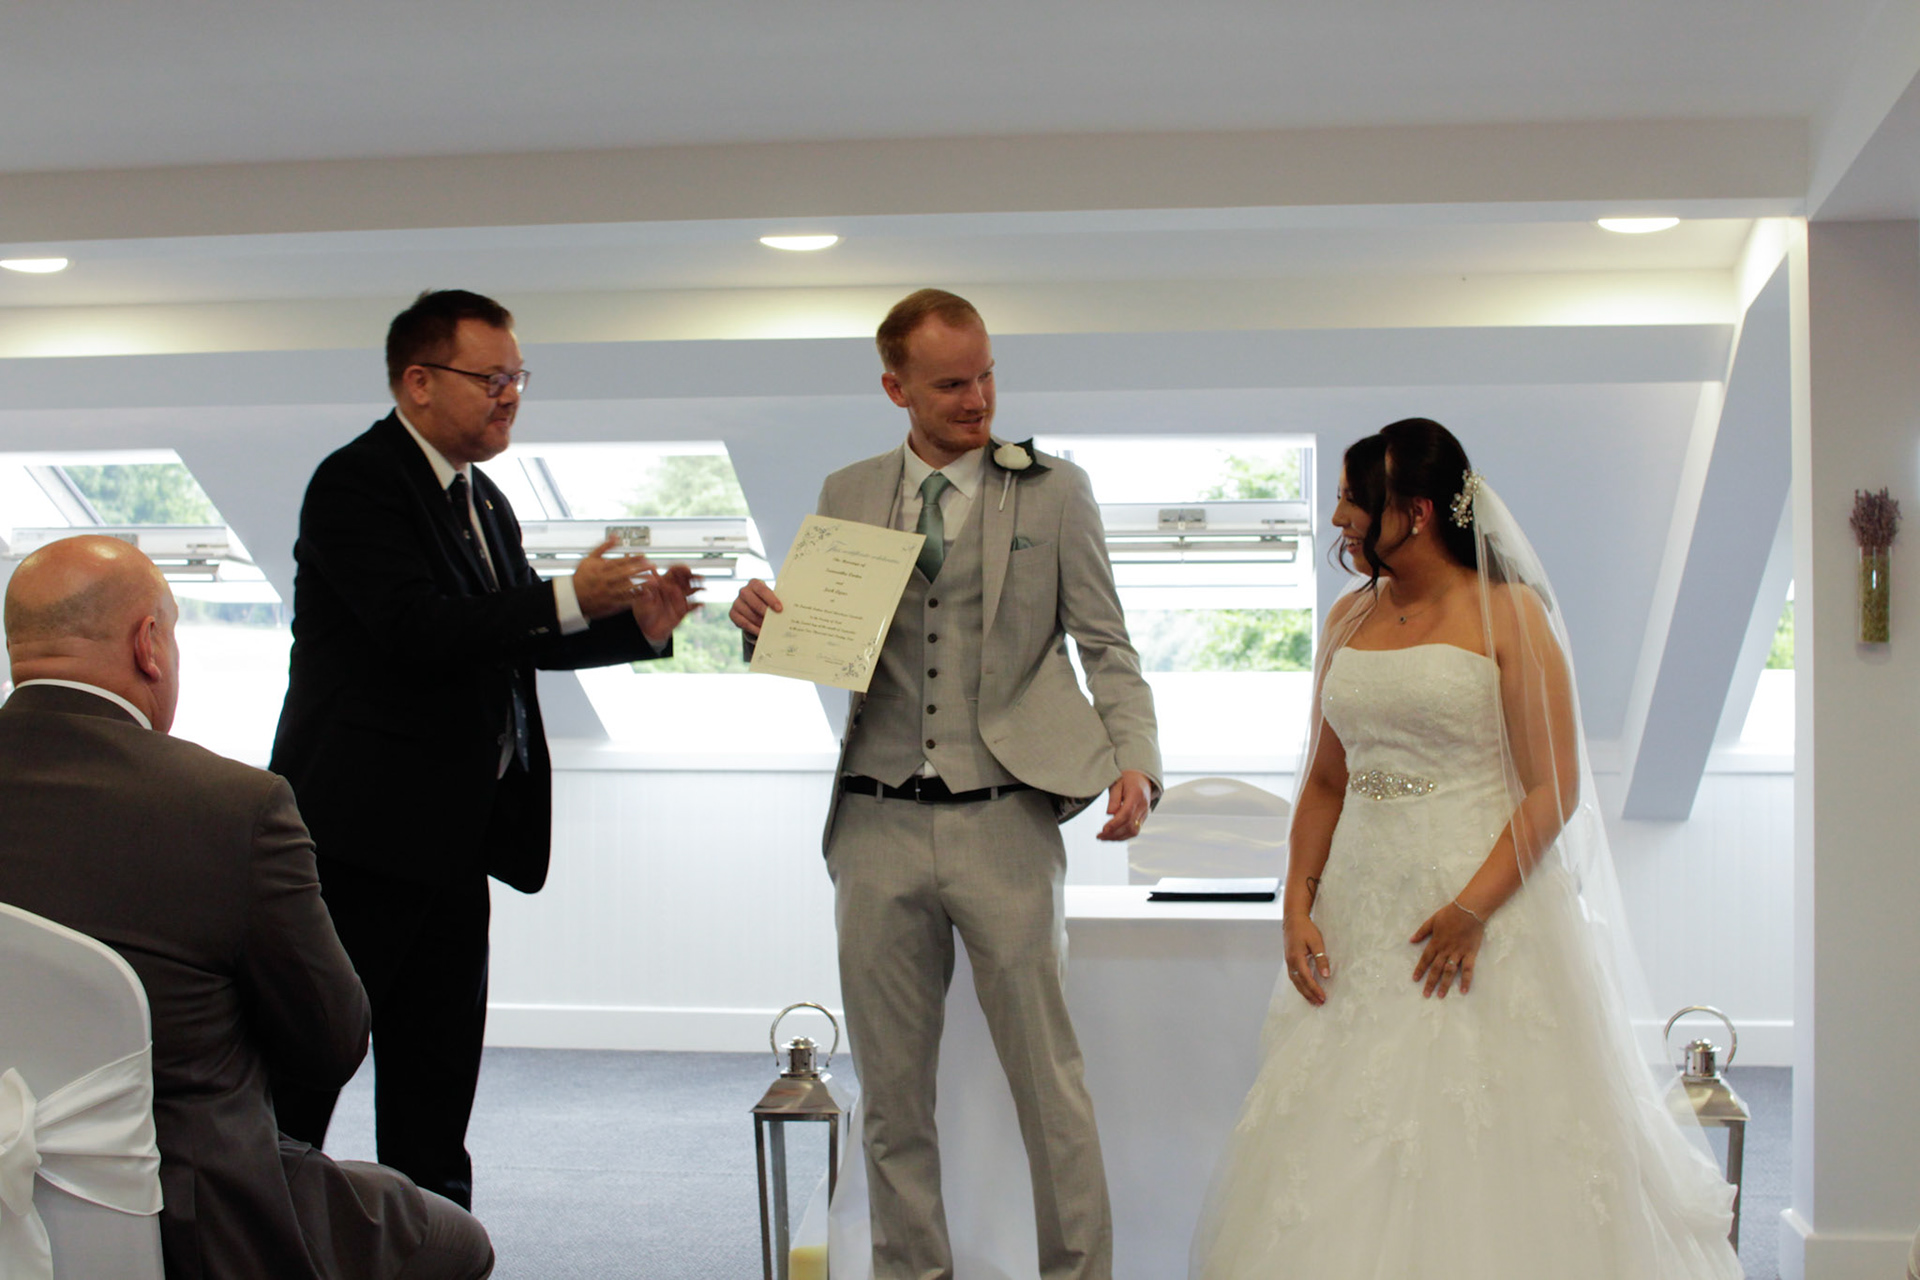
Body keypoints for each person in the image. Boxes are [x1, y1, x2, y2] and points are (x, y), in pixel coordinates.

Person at [1189, 419, 1742, 1278]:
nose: (1337, 518)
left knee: (1479, 1137)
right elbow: (1327, 780)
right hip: (1362, 905)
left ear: (1414, 511)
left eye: (1353, 499)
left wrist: (1471, 910)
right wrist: (1296, 903)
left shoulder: (1510, 614)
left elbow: (1552, 787)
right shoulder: (1347, 618)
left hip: (1481, 904)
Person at [730, 288, 1160, 1280]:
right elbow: (823, 645)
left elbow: (1107, 643)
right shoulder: (846, 489)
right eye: (952, 384)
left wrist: (1135, 756)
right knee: (891, 1096)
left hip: (1005, 817)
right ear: (897, 389)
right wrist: (762, 625)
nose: (979, 400)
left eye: (987, 375)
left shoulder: (1055, 491)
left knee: (1050, 1085)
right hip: (875, 822)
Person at [268, 289, 700, 1208]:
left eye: (517, 378)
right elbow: (415, 629)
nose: (510, 397)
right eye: (490, 379)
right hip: (358, 840)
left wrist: (636, 629)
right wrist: (566, 597)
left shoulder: (485, 499)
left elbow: (510, 638)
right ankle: (253, 1240)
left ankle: (431, 1246)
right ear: (418, 382)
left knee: (435, 1081)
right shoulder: (356, 483)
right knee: (306, 1072)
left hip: (455, 837)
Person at [0, 535, 493, 1279]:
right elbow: (331, 1043)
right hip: (200, 1216)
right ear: (149, 645)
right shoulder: (232, 806)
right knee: (457, 1242)